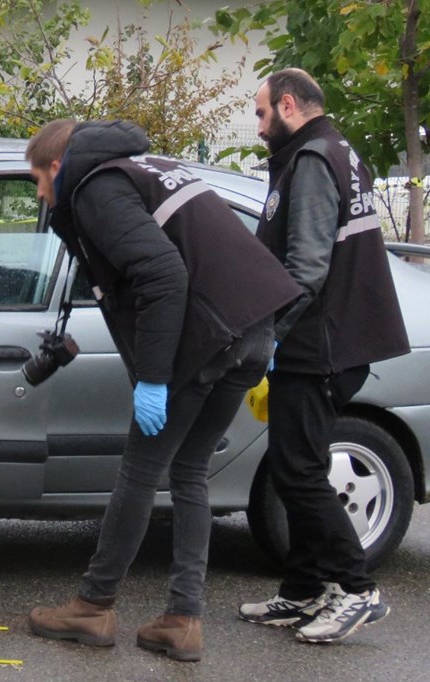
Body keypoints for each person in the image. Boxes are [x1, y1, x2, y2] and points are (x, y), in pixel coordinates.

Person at [23, 119, 301, 662]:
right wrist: (264, 335)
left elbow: (164, 274)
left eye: (37, 178)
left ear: (58, 165)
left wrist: (153, 376)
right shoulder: (150, 167)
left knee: (141, 471)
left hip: (205, 340)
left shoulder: (98, 187)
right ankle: (182, 619)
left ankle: (93, 606)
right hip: (249, 333)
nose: (38, 193)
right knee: (190, 469)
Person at [237, 68, 410, 644]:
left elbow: (306, 267)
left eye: (262, 113)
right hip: (336, 339)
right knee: (297, 465)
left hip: (320, 344)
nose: (259, 127)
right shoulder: (338, 149)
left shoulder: (311, 160)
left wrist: (271, 335)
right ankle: (304, 590)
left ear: (288, 105)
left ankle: (357, 590)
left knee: (300, 470)